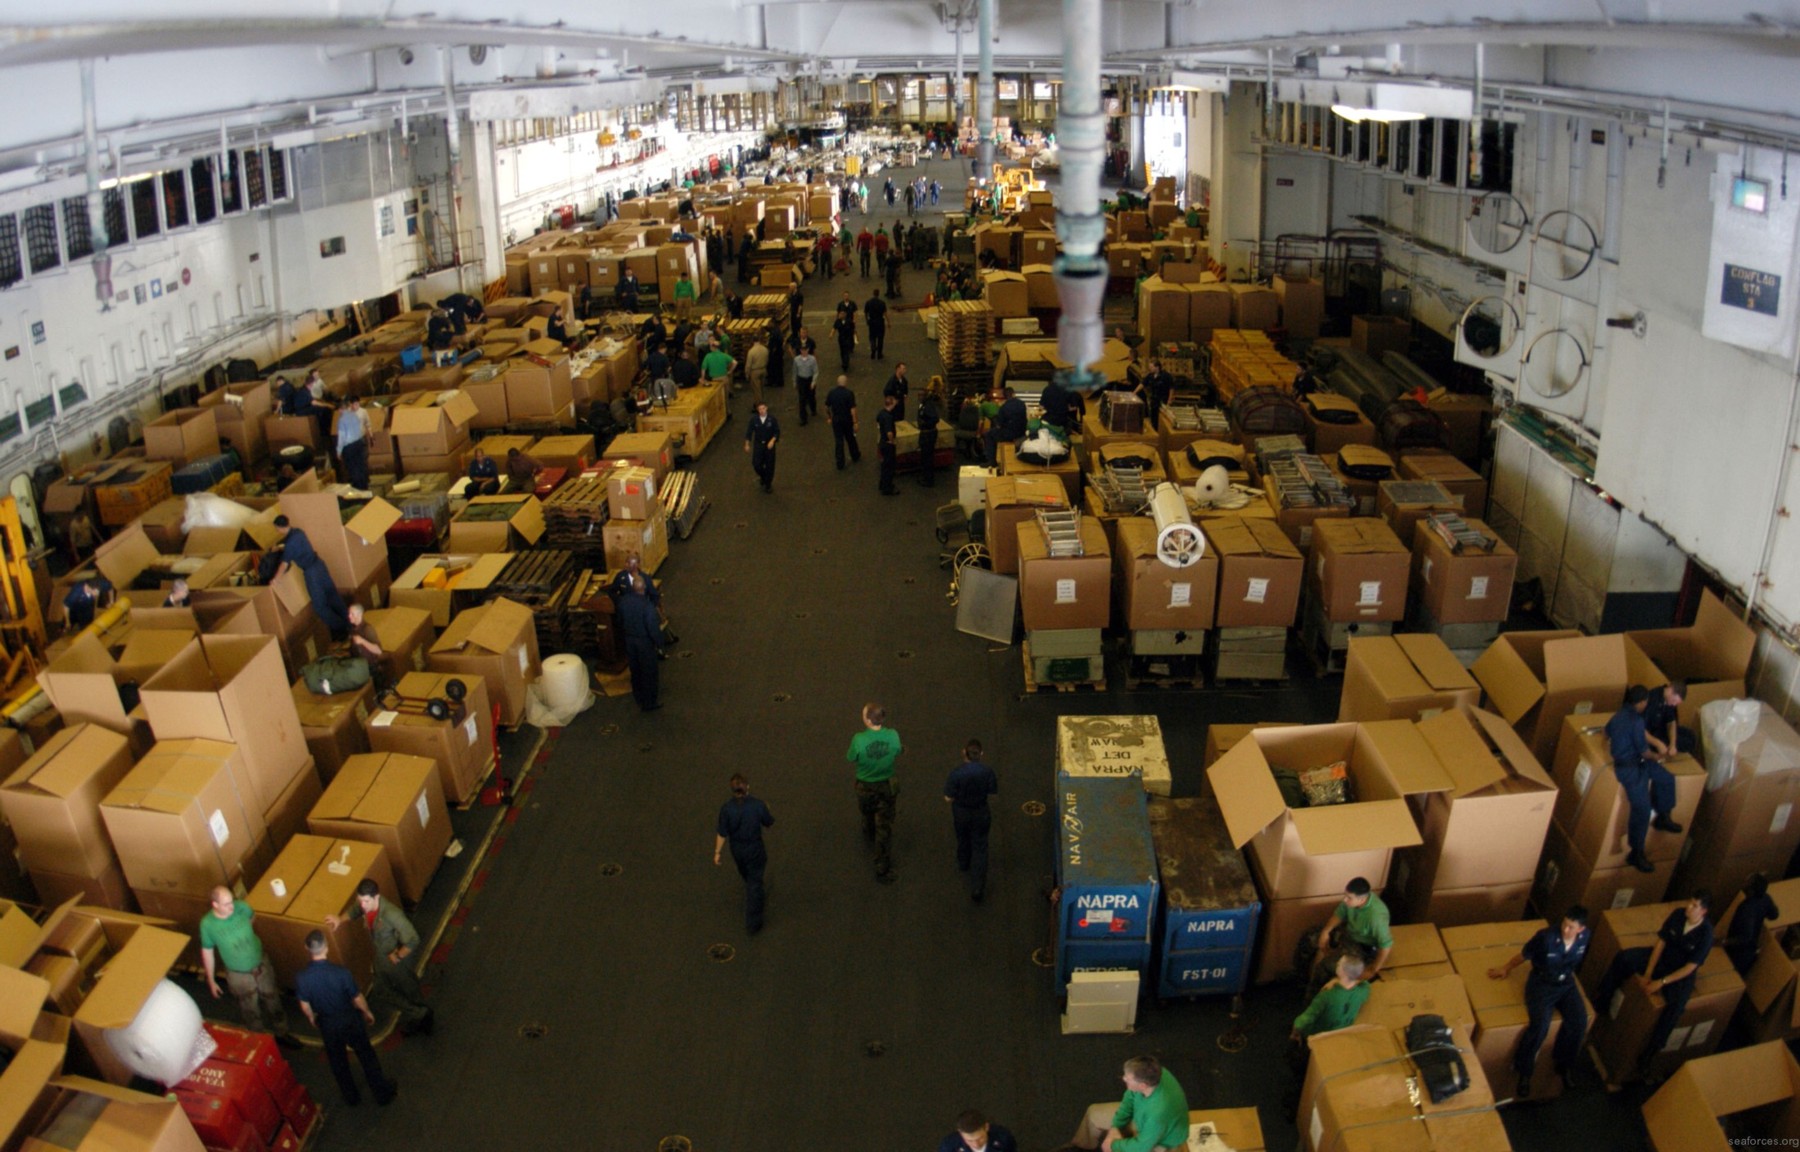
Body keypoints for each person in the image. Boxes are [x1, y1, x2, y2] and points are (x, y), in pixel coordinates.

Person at [1593, 891, 1714, 1082]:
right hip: (1662, 960)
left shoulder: (1706, 935)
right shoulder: (1677, 915)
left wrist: (1662, 982)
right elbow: (1660, 943)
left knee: (1675, 1009)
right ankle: (1602, 1003)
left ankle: (1649, 1054)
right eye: (1689, 903)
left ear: (1703, 912)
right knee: (1624, 958)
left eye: (1694, 906)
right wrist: (1648, 973)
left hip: (1678, 974)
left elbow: (1690, 968)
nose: (1688, 908)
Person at [1489, 908, 1590, 1096]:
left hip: (1566, 984)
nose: (1565, 929)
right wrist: (1506, 968)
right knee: (1540, 1026)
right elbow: (1525, 954)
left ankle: (1564, 1066)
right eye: (1564, 924)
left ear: (1580, 929)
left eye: (1571, 927)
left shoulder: (1585, 938)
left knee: (1579, 1021)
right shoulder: (1546, 937)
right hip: (1542, 984)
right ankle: (1524, 1072)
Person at [294, 931, 397, 1107]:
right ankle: (382, 1093)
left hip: (327, 1024)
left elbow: (304, 1005)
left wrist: (312, 1018)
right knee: (366, 1055)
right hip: (349, 1019)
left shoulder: (301, 978)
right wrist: (367, 1012)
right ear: (326, 947)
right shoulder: (341, 973)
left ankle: (351, 1097)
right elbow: (357, 998)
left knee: (338, 1062)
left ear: (307, 949)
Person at [323, 879, 434, 1036]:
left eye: (366, 901)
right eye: (360, 900)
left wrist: (398, 955)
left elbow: (413, 938)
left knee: (408, 988)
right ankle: (418, 1013)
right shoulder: (366, 906)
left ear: (376, 897)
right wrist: (339, 920)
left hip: (395, 959)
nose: (363, 905)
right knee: (382, 990)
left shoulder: (391, 914)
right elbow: (355, 910)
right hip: (382, 956)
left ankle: (421, 1014)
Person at [199, 886, 296, 1045]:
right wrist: (211, 979)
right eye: (226, 904)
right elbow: (207, 952)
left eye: (232, 901)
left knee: (273, 1000)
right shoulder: (207, 924)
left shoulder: (242, 908)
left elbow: (252, 918)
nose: (232, 906)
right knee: (249, 1009)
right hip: (239, 974)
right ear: (215, 905)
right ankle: (259, 1041)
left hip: (261, 964)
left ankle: (282, 1033)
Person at [1608, 685, 1681, 874]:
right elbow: (1645, 751)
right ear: (1640, 703)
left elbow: (1606, 732)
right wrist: (1658, 757)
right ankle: (1636, 852)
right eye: (1645, 703)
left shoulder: (1618, 715)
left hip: (1637, 760)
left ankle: (1663, 816)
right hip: (1629, 767)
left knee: (1666, 778)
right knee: (1642, 807)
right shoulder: (1636, 721)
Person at [1066, 1055, 1190, 1152]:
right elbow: (1130, 1096)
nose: (1124, 1078)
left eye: (1127, 1078)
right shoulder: (1153, 1074)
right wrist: (1116, 1126)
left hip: (1161, 1140)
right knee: (1094, 1113)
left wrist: (1113, 1145)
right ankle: (1082, 1147)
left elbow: (1142, 1147)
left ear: (1142, 1085)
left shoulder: (1157, 1115)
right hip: (1143, 1119)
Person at [846, 703, 902, 883]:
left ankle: (868, 828)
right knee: (884, 826)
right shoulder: (893, 735)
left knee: (866, 810)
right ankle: (881, 865)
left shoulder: (859, 739)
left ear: (868, 720)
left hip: (865, 787)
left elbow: (851, 757)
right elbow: (898, 751)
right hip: (886, 786)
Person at [714, 773, 775, 934]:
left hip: (737, 849)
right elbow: (768, 822)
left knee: (746, 873)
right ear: (747, 786)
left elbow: (722, 833)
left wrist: (717, 852)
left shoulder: (727, 809)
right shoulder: (757, 805)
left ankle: (750, 884)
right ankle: (753, 923)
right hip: (754, 848)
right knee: (755, 882)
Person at [273, 516, 349, 637]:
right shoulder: (298, 532)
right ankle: (352, 623)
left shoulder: (290, 545)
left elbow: (284, 564)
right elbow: (288, 541)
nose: (277, 531)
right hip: (319, 565)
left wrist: (276, 580)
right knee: (332, 595)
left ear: (280, 527)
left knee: (320, 606)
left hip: (311, 572)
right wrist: (278, 546)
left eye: (276, 528)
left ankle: (342, 628)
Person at [944, 739, 998, 902]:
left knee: (962, 838)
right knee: (980, 846)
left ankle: (964, 862)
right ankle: (977, 887)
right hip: (980, 812)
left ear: (964, 753)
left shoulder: (956, 773)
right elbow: (992, 791)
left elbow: (948, 797)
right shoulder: (987, 771)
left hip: (961, 812)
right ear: (981, 754)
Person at [1314, 877, 1394, 980]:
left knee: (1326, 965)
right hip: (1349, 933)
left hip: (1362, 946)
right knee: (1310, 938)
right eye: (1345, 896)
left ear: (1361, 899)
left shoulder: (1376, 916)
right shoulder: (1351, 902)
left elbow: (1386, 944)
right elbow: (1339, 914)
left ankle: (1314, 993)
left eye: (1349, 898)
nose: (1344, 900)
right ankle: (1300, 980)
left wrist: (1373, 969)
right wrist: (1326, 931)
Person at [1292, 954, 1370, 1056]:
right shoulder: (1362, 992)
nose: (1337, 963)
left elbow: (1305, 1019)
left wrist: (1295, 1031)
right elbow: (1365, 984)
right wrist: (1336, 980)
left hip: (1319, 1034)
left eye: (1340, 964)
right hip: (1341, 1032)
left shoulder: (1327, 996)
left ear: (1344, 972)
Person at [615, 564, 662, 711]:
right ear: (644, 589)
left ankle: (638, 698)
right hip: (644, 643)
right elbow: (653, 628)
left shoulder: (623, 602)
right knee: (649, 672)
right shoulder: (647, 607)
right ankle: (649, 702)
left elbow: (619, 621)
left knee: (635, 671)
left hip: (630, 641)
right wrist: (659, 643)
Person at [1724, 873, 1780, 974]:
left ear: (1751, 890)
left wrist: (1724, 942)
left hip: (1739, 955)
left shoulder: (1746, 909)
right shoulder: (1765, 898)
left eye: (1747, 882)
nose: (1744, 882)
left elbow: (1745, 937)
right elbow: (1774, 915)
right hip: (1750, 950)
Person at [1645, 680, 1697, 757]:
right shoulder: (1652, 699)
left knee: (1691, 736)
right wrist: (1658, 744)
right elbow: (1638, 729)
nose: (1674, 704)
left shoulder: (1668, 702)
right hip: (1650, 735)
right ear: (1670, 690)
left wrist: (1673, 744)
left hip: (1662, 729)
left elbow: (1671, 722)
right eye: (1674, 701)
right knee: (1684, 742)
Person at [984, 386, 1027, 466]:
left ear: (1004, 397)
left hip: (1009, 435)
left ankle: (992, 461)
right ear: (1013, 394)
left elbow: (999, 426)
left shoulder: (1003, 408)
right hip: (1021, 433)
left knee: (989, 435)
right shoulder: (1022, 404)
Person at [335, 395, 370, 493]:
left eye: (339, 410)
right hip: (359, 442)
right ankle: (365, 485)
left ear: (341, 409)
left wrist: (339, 451)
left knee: (353, 468)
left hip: (349, 447)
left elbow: (341, 437)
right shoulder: (354, 415)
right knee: (361, 465)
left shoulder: (341, 420)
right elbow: (360, 428)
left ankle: (358, 488)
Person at [938, 1110, 1017, 1152]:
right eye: (969, 1141)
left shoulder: (1003, 1138)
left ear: (986, 1127)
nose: (976, 1144)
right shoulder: (949, 1146)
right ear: (960, 1133)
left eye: (980, 1138)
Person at [744, 401, 780, 493]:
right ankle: (763, 476)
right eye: (760, 409)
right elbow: (749, 432)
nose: (762, 411)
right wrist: (747, 444)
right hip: (759, 445)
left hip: (769, 446)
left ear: (766, 408)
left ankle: (768, 484)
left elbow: (777, 432)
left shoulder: (772, 419)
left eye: (763, 408)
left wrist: (772, 441)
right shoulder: (754, 420)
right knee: (756, 464)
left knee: (769, 465)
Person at [827, 375, 861, 469]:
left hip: (836, 420)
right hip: (847, 420)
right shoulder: (849, 393)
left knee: (839, 441)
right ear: (845, 383)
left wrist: (829, 417)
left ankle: (840, 462)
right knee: (850, 438)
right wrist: (855, 422)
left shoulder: (831, 393)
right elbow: (852, 409)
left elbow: (827, 406)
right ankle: (855, 455)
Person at [917, 388, 942, 487]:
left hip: (929, 434)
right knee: (924, 457)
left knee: (927, 458)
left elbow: (935, 418)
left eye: (922, 395)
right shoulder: (923, 405)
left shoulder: (928, 406)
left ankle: (928, 480)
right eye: (918, 395)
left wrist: (926, 423)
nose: (919, 397)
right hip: (924, 433)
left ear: (926, 396)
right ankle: (925, 476)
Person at [876, 393, 900, 496]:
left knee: (884, 465)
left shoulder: (881, 413)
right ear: (891, 404)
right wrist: (892, 441)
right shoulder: (889, 417)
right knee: (889, 467)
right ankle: (888, 488)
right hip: (888, 444)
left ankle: (882, 484)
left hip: (882, 442)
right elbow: (889, 432)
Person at [1141, 359, 1174, 428]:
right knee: (1153, 417)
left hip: (1163, 399)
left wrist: (1169, 400)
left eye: (1151, 367)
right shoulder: (1150, 376)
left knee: (1162, 418)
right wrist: (1134, 393)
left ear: (1157, 367)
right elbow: (1143, 384)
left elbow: (1171, 388)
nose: (1150, 369)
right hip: (1154, 400)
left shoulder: (1166, 376)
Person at [792, 343, 820, 426]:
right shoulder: (796, 360)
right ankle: (803, 418)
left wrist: (813, 382)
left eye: (805, 350)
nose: (804, 351)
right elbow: (794, 372)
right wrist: (794, 382)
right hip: (801, 380)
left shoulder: (812, 359)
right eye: (802, 350)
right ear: (800, 350)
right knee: (802, 400)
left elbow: (816, 371)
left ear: (808, 350)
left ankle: (813, 409)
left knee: (811, 397)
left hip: (809, 379)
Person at [742, 332, 770, 404]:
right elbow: (767, 359)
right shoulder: (765, 349)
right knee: (762, 387)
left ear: (752, 341)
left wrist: (747, 373)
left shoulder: (751, 351)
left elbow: (748, 364)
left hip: (755, 371)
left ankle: (759, 404)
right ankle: (761, 400)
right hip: (763, 369)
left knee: (756, 389)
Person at [833, 305, 858, 373]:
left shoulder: (849, 321)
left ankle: (846, 363)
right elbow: (834, 328)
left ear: (845, 315)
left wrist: (855, 336)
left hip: (848, 338)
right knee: (842, 351)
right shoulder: (838, 321)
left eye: (842, 314)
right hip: (841, 338)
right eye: (840, 313)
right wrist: (831, 335)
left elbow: (853, 329)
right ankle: (844, 361)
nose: (841, 315)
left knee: (846, 351)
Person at [865, 289, 889, 359]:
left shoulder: (868, 302)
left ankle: (873, 348)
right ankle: (879, 354)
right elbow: (885, 313)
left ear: (873, 293)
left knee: (872, 337)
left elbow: (866, 312)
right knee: (880, 338)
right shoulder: (882, 303)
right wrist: (888, 322)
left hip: (872, 322)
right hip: (880, 322)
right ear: (878, 294)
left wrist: (867, 320)